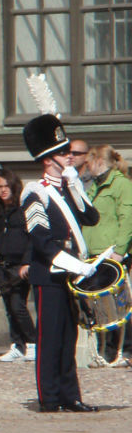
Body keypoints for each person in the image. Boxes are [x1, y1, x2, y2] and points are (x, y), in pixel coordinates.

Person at [21, 104, 100, 413]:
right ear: (47, 158)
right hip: (49, 273)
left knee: (69, 335)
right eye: (64, 152)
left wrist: (76, 186)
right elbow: (41, 241)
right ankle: (50, 397)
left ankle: (71, 395)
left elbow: (90, 218)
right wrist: (76, 264)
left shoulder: (68, 188)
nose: (70, 156)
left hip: (68, 273)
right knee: (51, 337)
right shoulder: (34, 193)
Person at [81, 144, 132, 362]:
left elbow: (127, 218)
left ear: (99, 162)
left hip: (111, 255)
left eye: (88, 163)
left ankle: (122, 349)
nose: (86, 168)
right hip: (95, 255)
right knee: (100, 307)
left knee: (118, 306)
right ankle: (104, 350)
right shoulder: (95, 186)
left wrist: (120, 250)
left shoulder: (121, 185)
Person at [0, 169, 36, 363]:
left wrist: (27, 261)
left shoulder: (24, 207)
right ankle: (17, 344)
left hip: (19, 265)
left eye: (6, 186)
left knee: (18, 306)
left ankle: (32, 343)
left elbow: (32, 237)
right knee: (9, 307)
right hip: (2, 263)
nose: (2, 190)